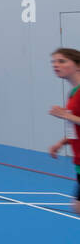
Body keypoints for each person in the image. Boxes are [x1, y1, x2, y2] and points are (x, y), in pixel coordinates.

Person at [47, 47, 80, 218]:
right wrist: (62, 142)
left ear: (77, 65)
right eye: (53, 62)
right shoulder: (73, 93)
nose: (56, 65)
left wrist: (65, 115)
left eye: (62, 61)